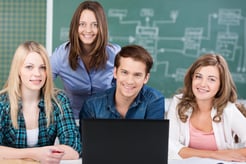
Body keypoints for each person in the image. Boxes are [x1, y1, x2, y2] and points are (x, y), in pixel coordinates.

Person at [0, 41, 81, 164]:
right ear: (18, 70)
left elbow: (74, 149)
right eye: (29, 67)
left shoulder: (59, 100)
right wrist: (37, 154)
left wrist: (13, 155)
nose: (37, 74)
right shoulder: (2, 103)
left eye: (42, 67)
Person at [167, 54, 246, 162]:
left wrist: (188, 152)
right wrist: (214, 155)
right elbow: (170, 147)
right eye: (198, 76)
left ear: (221, 85)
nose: (203, 84)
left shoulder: (228, 110)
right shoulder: (178, 103)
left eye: (212, 79)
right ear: (192, 78)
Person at [50, 1, 121, 119]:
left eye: (94, 24)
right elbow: (43, 81)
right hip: (73, 122)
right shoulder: (61, 55)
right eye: (82, 24)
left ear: (101, 27)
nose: (88, 30)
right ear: (75, 26)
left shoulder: (115, 54)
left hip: (107, 121)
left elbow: (125, 87)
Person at [79, 45, 165, 121]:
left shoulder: (154, 100)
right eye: (124, 72)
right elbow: (87, 139)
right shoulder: (92, 105)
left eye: (137, 75)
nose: (129, 81)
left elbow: (153, 138)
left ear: (146, 78)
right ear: (115, 73)